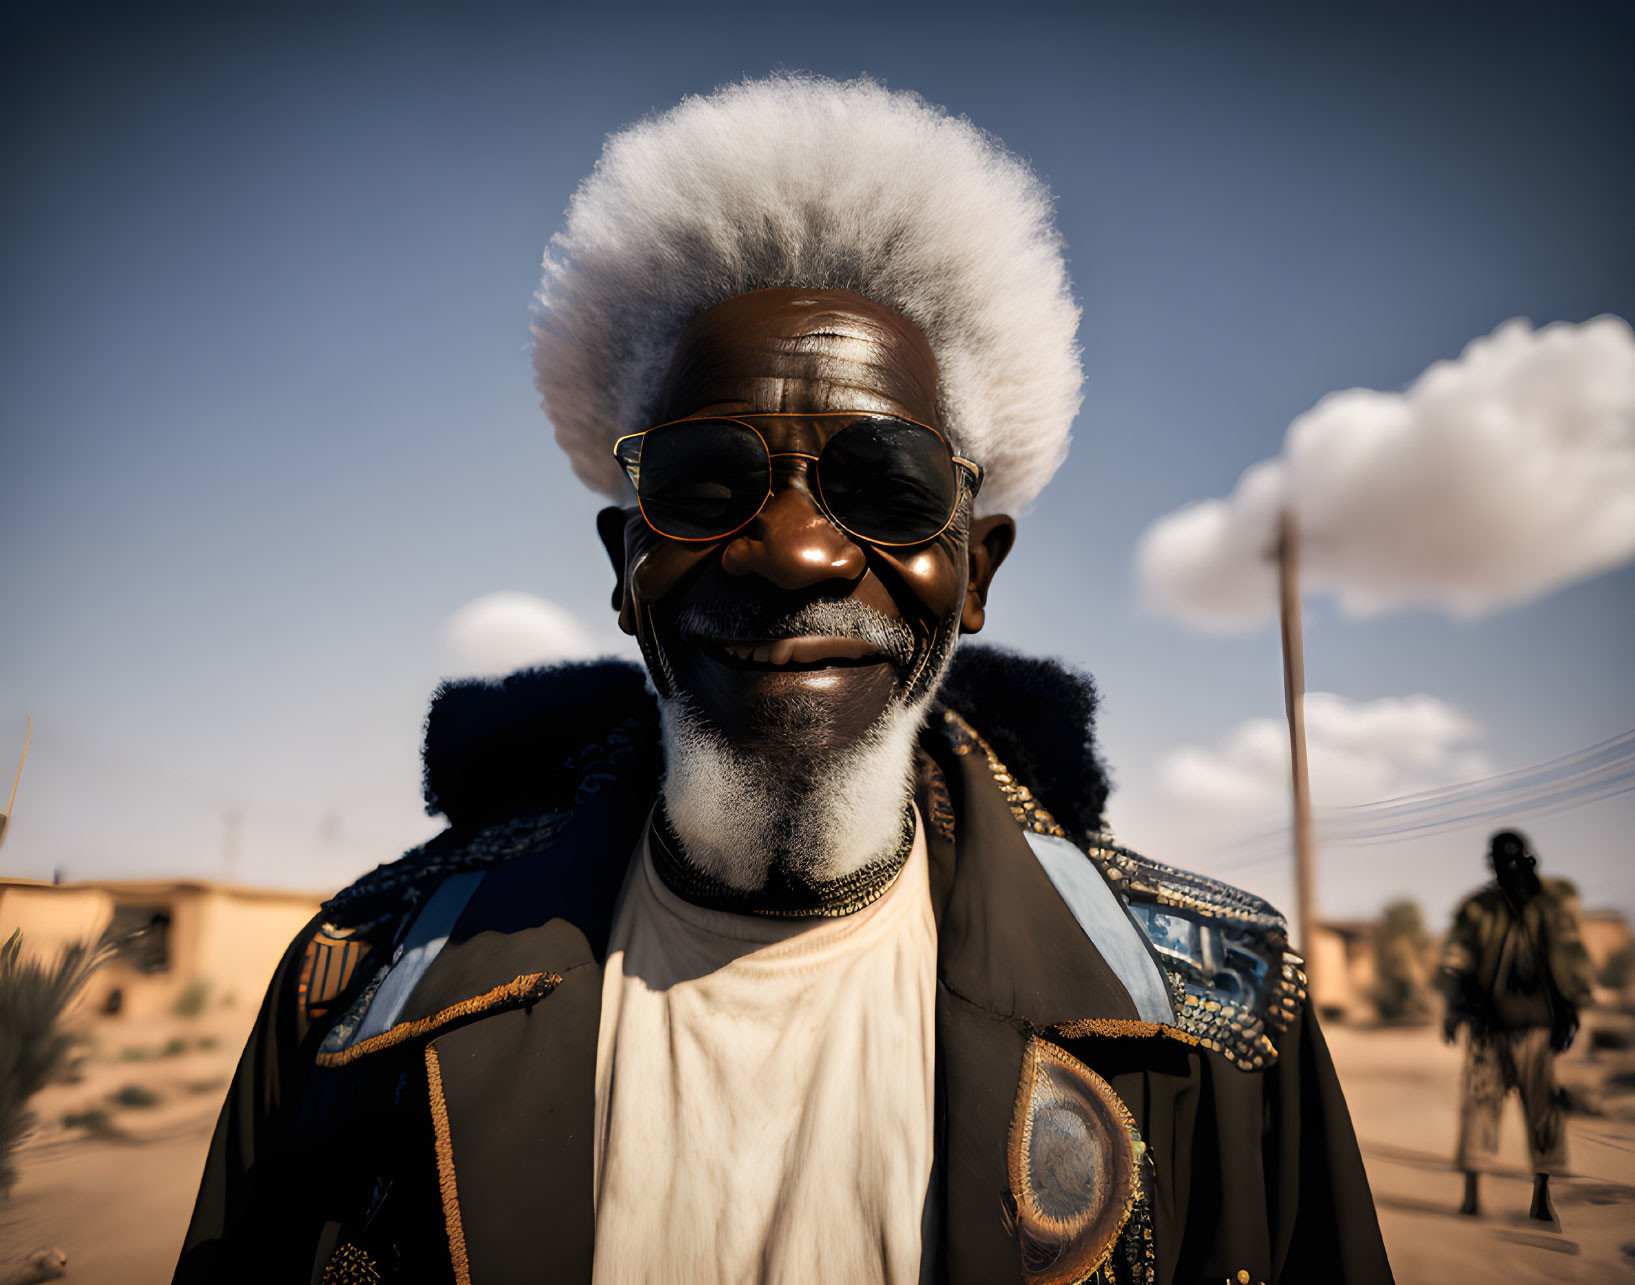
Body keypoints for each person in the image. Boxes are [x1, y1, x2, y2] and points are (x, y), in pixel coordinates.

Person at [175, 75, 1392, 1284]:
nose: (796, 552)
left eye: (889, 485)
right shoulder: (361, 986)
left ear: (974, 571)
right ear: (627, 562)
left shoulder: (1219, 1020)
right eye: (706, 480)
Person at [1439, 828, 1593, 1223]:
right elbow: (1456, 958)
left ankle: (1542, 1194)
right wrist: (1456, 1008)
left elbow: (1571, 960)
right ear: (1492, 866)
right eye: (1500, 862)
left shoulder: (1550, 908)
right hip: (1489, 1025)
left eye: (1514, 860)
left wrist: (1569, 1012)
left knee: (1543, 1112)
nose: (1509, 869)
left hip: (1537, 1025)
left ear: (1527, 860)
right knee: (1477, 1106)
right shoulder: (1478, 908)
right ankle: (1472, 1194)